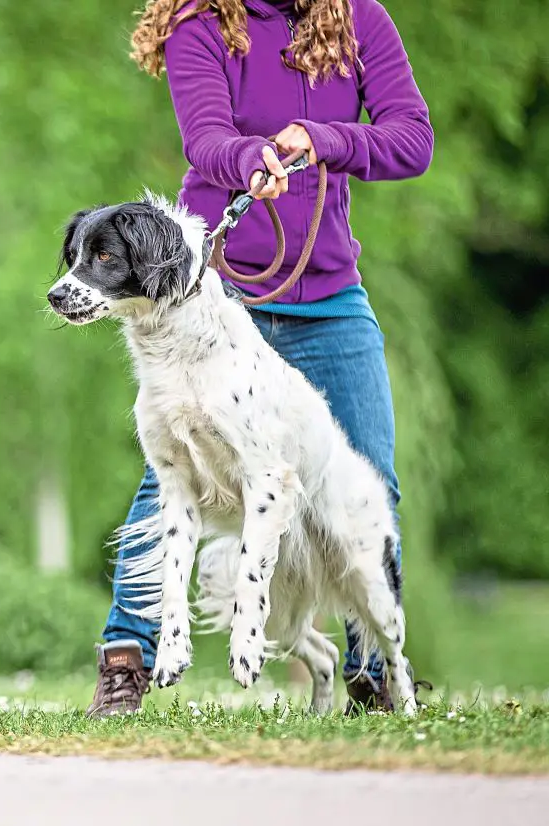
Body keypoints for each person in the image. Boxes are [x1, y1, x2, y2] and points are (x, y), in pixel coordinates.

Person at [87, 0, 433, 716]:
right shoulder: (199, 26)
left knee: (370, 474)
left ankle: (375, 672)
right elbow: (206, 141)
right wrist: (255, 157)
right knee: (173, 477)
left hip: (332, 296)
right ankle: (127, 658)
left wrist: (324, 140)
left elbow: (412, 140)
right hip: (218, 295)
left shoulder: (361, 18)